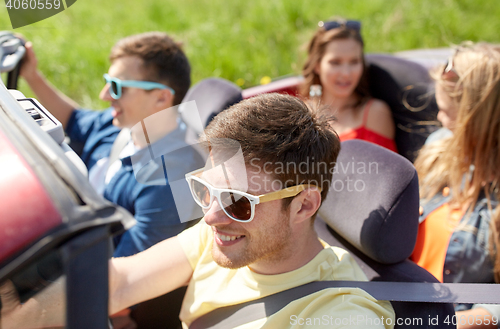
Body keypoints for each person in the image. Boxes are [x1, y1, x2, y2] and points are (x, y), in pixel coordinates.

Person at [1, 93, 395, 328]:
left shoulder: (343, 314)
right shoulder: (221, 235)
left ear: (304, 204)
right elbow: (117, 284)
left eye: (239, 202)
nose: (210, 216)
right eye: (205, 191)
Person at [19, 32, 204, 258]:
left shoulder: (165, 182)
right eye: (107, 82)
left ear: (161, 98)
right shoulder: (121, 125)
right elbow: (73, 119)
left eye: (116, 87)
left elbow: (128, 272)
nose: (104, 95)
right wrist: (31, 75)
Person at [411, 43, 500, 328]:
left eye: (448, 113)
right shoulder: (438, 147)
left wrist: (446, 324)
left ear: (478, 121)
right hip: (399, 301)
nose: (439, 119)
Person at [300, 18, 397, 152]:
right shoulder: (300, 114)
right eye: (335, 62)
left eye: (354, 62)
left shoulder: (375, 113)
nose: (346, 73)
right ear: (317, 65)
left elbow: (387, 170)